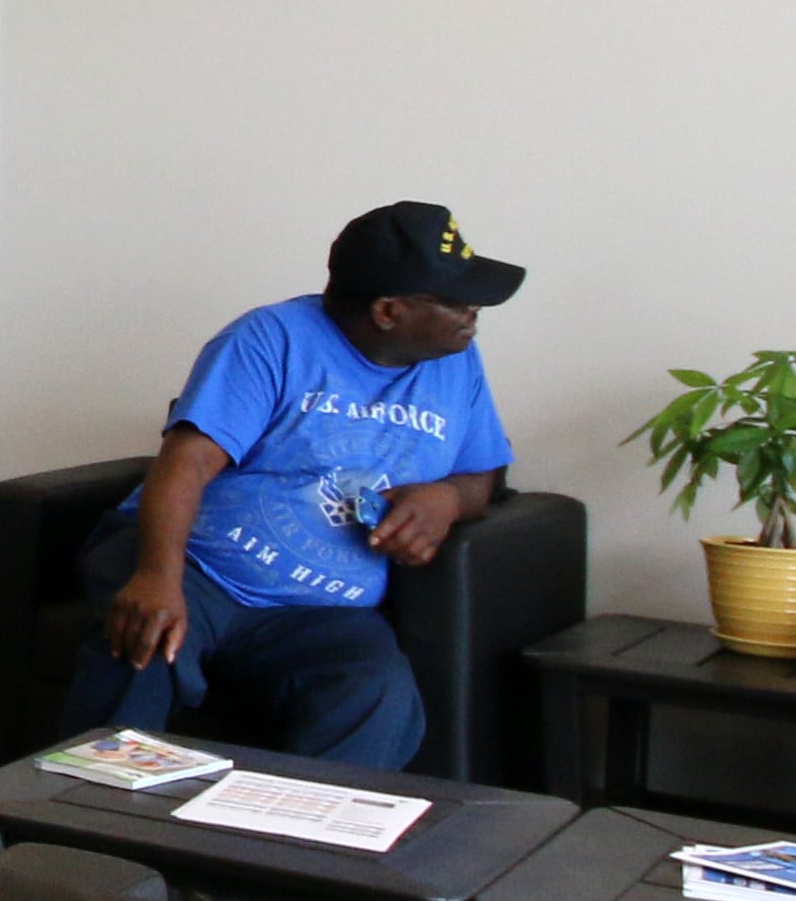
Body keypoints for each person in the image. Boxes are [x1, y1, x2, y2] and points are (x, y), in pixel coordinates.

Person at [72, 204, 525, 767]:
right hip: (198, 568)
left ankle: (290, 849)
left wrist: (449, 498)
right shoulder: (270, 340)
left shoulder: (456, 361)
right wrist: (157, 576)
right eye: (456, 300)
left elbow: (484, 471)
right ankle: (78, 833)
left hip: (319, 612)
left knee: (375, 692)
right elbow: (185, 462)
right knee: (144, 646)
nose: (473, 311)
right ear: (388, 310)